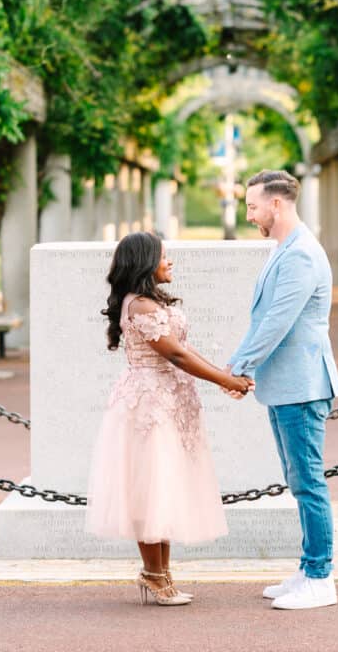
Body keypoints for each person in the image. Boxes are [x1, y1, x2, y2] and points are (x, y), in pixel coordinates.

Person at [85, 230, 253, 607]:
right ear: (146, 262)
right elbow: (175, 356)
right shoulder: (141, 307)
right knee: (150, 488)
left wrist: (227, 376)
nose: (170, 261)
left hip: (170, 400)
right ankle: (154, 574)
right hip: (149, 405)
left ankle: (160, 574)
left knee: (163, 486)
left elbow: (184, 350)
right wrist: (226, 380)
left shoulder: (150, 302)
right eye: (164, 256)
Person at [227, 169, 338, 610]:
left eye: (253, 206)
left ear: (277, 204)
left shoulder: (301, 255)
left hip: (303, 386)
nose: (249, 213)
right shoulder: (285, 248)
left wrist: (238, 368)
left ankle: (320, 576)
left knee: (309, 482)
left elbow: (277, 320)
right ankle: (308, 567)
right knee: (299, 481)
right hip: (286, 386)